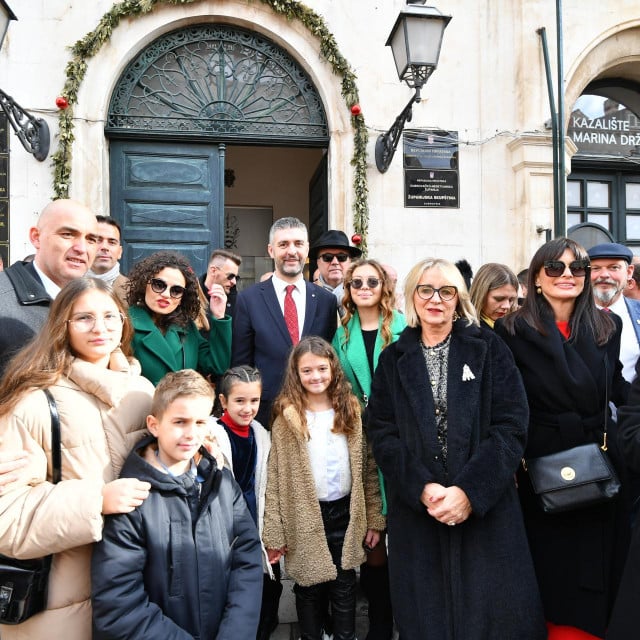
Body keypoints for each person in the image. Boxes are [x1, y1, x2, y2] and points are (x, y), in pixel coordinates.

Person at [366, 257, 546, 640]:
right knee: (427, 621)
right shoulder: (392, 360)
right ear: (411, 297)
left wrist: (469, 492)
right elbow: (382, 434)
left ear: (459, 298)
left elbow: (511, 425)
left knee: (493, 620)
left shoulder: (489, 349)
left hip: (486, 511)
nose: (436, 299)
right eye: (426, 290)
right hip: (421, 514)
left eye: (447, 291)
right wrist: (422, 488)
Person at [0, 277, 154, 639]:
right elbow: (7, 519)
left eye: (110, 316)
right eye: (83, 318)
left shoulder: (143, 392)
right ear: (61, 326)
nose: (100, 328)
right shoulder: (33, 402)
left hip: (134, 596)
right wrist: (96, 501)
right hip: (60, 607)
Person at [496, 238, 629, 638]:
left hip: (599, 459)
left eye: (577, 268)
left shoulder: (609, 326)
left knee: (600, 564)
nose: (567, 275)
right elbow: (505, 402)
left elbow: (618, 389)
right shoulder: (511, 330)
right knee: (552, 567)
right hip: (540, 465)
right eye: (554, 268)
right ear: (536, 278)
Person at [92, 369, 263, 640]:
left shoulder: (220, 481)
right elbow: (120, 606)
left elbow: (247, 554)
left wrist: (236, 632)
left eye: (199, 422)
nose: (190, 434)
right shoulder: (131, 498)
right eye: (180, 422)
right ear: (154, 424)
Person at [263, 336, 385, 640]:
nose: (315, 376)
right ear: (296, 373)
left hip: (345, 514)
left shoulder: (351, 412)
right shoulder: (286, 419)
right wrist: (274, 531)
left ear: (333, 369)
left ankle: (345, 636)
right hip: (304, 516)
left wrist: (374, 518)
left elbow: (367, 470)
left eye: (321, 368)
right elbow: (276, 476)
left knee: (344, 585)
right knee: (307, 587)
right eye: (307, 371)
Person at [332, 259, 405, 640]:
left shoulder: (403, 326)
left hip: (401, 435)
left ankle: (406, 617)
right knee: (373, 531)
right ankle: (378, 624)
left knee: (404, 528)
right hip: (361, 437)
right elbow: (338, 383)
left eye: (371, 281)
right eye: (356, 281)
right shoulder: (342, 332)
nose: (363, 287)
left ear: (383, 287)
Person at [232, 217, 338, 426]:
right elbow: (241, 364)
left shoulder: (327, 301)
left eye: (298, 244)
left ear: (307, 249)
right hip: (267, 415)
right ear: (271, 250)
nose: (291, 251)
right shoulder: (248, 299)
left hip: (316, 412)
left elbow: (330, 358)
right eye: (283, 244)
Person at [210, 366, 277, 640]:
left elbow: (267, 486)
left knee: (264, 591)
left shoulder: (261, 435)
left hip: (255, 523)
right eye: (239, 401)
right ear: (223, 401)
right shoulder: (211, 436)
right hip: (225, 529)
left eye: (254, 401)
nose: (248, 408)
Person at [0, 198, 99, 376]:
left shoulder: (100, 303)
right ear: (36, 237)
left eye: (91, 239)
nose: (82, 248)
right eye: (68, 234)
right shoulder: (3, 299)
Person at [126, 250, 231, 385]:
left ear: (182, 297)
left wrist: (219, 316)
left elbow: (217, 366)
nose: (166, 294)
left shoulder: (187, 327)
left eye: (176, 290)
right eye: (159, 285)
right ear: (144, 285)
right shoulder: (125, 323)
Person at [587, 242, 640, 382]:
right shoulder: (570, 315)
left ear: (629, 272)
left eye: (614, 268)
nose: (604, 275)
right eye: (596, 268)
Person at [309, 230, 362, 313]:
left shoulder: (363, 292)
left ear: (350, 261)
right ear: (318, 262)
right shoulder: (306, 296)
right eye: (327, 257)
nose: (335, 262)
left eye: (342, 257)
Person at [87, 215, 129, 307]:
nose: (105, 247)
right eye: (98, 240)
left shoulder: (134, 293)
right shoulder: (64, 288)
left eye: (112, 242)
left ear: (120, 252)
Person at [468, 262, 519, 329]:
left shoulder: (518, 327)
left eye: (511, 300)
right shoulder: (465, 332)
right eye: (499, 299)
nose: (507, 306)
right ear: (481, 294)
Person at [200, 248, 242, 317]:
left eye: (236, 277)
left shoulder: (238, 301)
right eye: (230, 276)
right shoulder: (191, 295)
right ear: (213, 271)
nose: (234, 282)